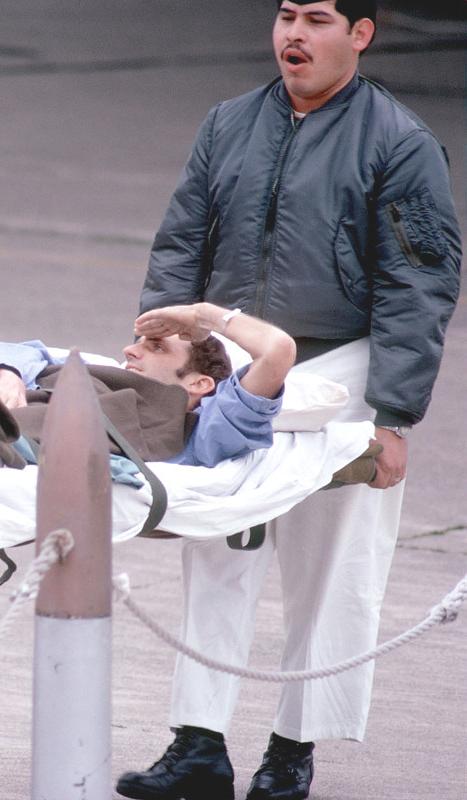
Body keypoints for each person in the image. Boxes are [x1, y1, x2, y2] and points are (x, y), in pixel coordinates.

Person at [117, 2, 461, 799]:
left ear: (360, 33)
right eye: (283, 16)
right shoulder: (227, 123)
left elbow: (417, 287)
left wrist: (392, 417)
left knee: (333, 569)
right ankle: (197, 744)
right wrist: (160, 370)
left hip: (347, 374)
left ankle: (291, 753)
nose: (293, 34)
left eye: (316, 18)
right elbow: (180, 245)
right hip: (238, 372)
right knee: (215, 549)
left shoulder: (400, 142)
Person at [0, 301, 297, 468]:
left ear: (198, 383)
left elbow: (278, 350)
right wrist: (8, 375)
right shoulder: (104, 372)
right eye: (138, 342)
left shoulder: (206, 432)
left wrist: (202, 316)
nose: (129, 350)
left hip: (1, 438)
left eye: (156, 347)